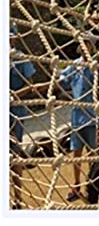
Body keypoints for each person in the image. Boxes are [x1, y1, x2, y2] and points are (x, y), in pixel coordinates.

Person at [57, 34, 99, 202]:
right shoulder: (74, 65)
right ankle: (76, 185)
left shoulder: (96, 65)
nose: (83, 46)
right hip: (77, 116)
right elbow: (62, 81)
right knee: (76, 153)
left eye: (87, 43)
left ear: (91, 46)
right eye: (82, 43)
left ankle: (93, 184)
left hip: (93, 116)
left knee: (93, 153)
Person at [9, 22, 37, 209]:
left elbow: (31, 84)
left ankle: (18, 197)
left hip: (15, 111)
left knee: (14, 153)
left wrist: (14, 95)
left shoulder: (21, 58)